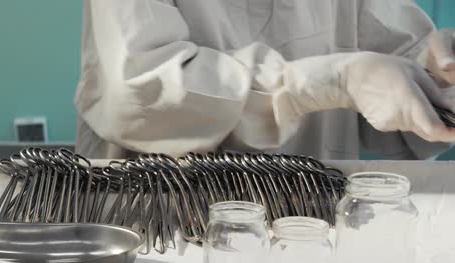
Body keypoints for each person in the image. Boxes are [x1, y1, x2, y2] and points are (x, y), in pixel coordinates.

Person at [74, 0, 455, 160]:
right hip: (165, 230)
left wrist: (435, 77)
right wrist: (332, 80)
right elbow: (142, 91)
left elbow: (396, 59)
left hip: (311, 227)